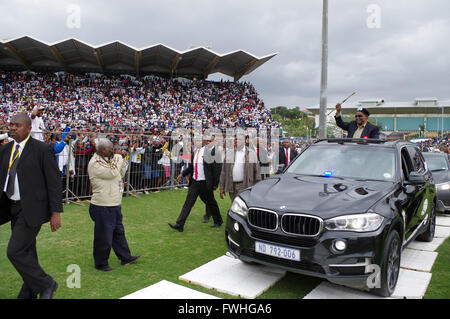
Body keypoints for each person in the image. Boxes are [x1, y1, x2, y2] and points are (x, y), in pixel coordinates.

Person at [0, 113, 62, 299]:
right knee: (27, 251)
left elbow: (54, 182)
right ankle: (28, 292)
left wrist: (56, 212)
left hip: (32, 209)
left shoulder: (42, 149)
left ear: (28, 128)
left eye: (16, 125)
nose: (12, 128)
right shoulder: (6, 149)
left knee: (14, 251)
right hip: (11, 207)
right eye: (10, 125)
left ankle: (47, 283)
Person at [87, 139, 141, 271]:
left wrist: (123, 159)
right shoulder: (95, 163)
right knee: (103, 236)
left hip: (114, 203)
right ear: (102, 150)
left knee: (118, 233)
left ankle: (125, 256)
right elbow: (111, 172)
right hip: (102, 205)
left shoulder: (107, 160)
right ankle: (101, 263)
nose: (113, 150)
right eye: (111, 149)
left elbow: (119, 174)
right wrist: (118, 156)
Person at [168, 134, 223, 232]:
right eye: (195, 141)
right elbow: (191, 167)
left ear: (203, 142)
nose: (196, 143)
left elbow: (216, 169)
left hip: (205, 182)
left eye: (198, 141)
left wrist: (215, 184)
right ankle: (179, 224)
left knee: (211, 202)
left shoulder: (210, 152)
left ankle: (218, 220)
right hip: (194, 182)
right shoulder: (195, 152)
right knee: (188, 203)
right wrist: (182, 174)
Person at [219, 134, 261, 202]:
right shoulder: (229, 153)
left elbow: (257, 172)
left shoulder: (251, 153)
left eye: (239, 139)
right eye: (235, 139)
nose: (236, 141)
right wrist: (221, 187)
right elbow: (223, 171)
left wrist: (256, 187)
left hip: (245, 185)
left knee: (242, 204)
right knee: (234, 205)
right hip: (231, 185)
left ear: (245, 141)